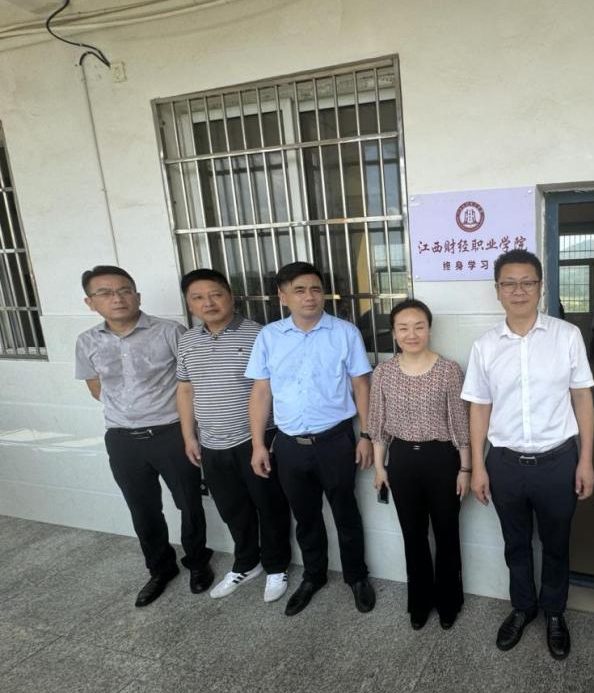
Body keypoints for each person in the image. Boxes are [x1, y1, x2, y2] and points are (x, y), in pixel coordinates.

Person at [462, 249, 594, 660]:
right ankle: (523, 607)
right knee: (515, 543)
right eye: (509, 283)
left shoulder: (566, 336)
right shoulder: (485, 346)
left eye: (527, 282)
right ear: (497, 290)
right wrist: (479, 465)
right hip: (504, 463)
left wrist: (586, 459)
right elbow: (479, 407)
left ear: (540, 287)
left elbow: (583, 399)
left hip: (558, 462)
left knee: (556, 544)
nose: (518, 291)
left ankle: (554, 612)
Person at [74, 265, 213, 607]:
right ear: (90, 302)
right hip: (121, 439)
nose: (117, 298)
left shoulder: (170, 332)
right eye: (105, 293)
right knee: (142, 509)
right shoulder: (87, 341)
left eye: (124, 290)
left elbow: (192, 382)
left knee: (189, 503)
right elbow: (96, 388)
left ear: (137, 295)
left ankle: (197, 562)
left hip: (171, 433)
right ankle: (160, 568)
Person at [245, 261, 376, 617]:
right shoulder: (269, 336)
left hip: (335, 440)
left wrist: (366, 434)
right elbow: (261, 392)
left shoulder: (345, 332)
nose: (309, 296)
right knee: (305, 516)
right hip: (289, 445)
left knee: (346, 512)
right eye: (299, 290)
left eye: (316, 289)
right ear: (282, 296)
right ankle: (313, 576)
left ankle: (356, 576)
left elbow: (361, 386)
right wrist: (258, 444)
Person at [175, 268, 292, 604]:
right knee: (232, 508)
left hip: (256, 439)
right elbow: (185, 390)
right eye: (198, 298)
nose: (208, 303)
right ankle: (247, 563)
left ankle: (276, 566)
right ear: (190, 304)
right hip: (211, 443)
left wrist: (260, 443)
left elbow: (268, 389)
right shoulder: (187, 341)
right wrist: (189, 436)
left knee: (270, 506)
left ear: (231, 296)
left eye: (215, 294)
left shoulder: (260, 335)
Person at [367, 299, 471, 630]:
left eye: (418, 327)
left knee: (447, 532)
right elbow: (378, 424)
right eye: (403, 328)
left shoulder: (449, 370)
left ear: (429, 329)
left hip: (442, 459)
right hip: (402, 461)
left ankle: (449, 601)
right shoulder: (383, 373)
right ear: (394, 332)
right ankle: (419, 602)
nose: (411, 334)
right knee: (412, 534)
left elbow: (460, 424)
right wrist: (380, 467)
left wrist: (465, 469)